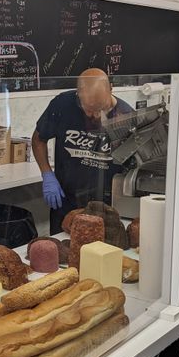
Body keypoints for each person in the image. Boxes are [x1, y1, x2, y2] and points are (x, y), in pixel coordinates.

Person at [31, 68, 133, 234]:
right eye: (89, 109)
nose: (95, 115)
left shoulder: (126, 117)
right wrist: (47, 175)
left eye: (100, 108)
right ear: (79, 95)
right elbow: (38, 140)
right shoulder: (63, 105)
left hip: (105, 208)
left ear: (111, 90)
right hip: (66, 202)